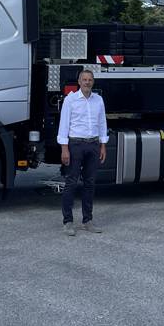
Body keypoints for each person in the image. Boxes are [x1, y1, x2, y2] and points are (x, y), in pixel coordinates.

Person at [57, 69, 107, 236]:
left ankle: (87, 220)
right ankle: (68, 221)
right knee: (71, 182)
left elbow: (102, 123)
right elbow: (64, 124)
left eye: (90, 80)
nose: (87, 82)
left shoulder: (98, 100)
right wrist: (64, 148)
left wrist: (103, 145)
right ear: (79, 82)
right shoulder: (70, 100)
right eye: (84, 79)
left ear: (93, 82)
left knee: (90, 183)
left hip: (93, 145)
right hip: (75, 145)